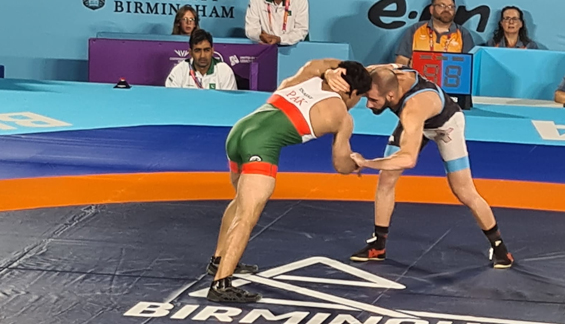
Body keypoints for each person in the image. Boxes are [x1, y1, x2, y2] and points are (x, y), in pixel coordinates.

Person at [206, 59, 373, 303]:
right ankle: (221, 283)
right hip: (260, 145)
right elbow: (340, 165)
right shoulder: (342, 117)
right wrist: (358, 164)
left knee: (241, 201)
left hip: (239, 131)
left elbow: (317, 63)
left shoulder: (308, 77)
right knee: (247, 217)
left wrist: (328, 71)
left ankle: (219, 259)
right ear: (354, 92)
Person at [333, 64, 514, 269]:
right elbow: (350, 72)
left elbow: (408, 159)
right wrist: (333, 74)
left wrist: (367, 163)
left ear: (391, 95)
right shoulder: (381, 74)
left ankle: (500, 248)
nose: (368, 105)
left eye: (373, 100)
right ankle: (378, 245)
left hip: (446, 126)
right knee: (386, 179)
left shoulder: (413, 109)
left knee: (463, 190)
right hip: (416, 124)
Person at [394, 0, 475, 66]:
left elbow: (469, 65)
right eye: (442, 5)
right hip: (417, 80)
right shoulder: (415, 29)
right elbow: (402, 59)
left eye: (451, 7)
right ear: (432, 9)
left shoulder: (463, 34)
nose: (447, 10)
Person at [165, 29, 237, 90]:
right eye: (197, 50)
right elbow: (172, 100)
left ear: (212, 51)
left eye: (206, 50)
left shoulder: (224, 71)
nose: (202, 56)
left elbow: (228, 103)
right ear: (190, 52)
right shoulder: (179, 71)